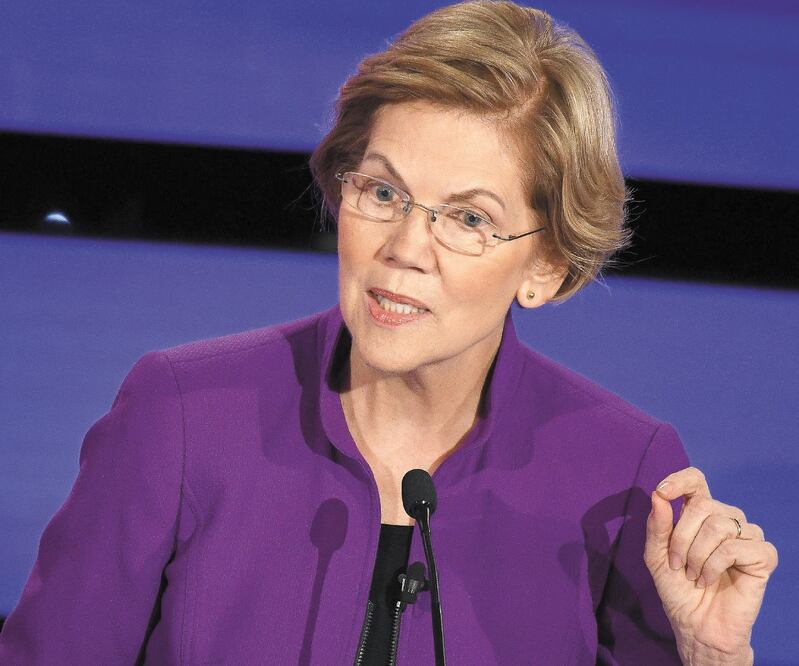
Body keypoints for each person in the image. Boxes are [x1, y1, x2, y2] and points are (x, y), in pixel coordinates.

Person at [0, 1, 777, 664]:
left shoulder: (622, 476)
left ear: (546, 267)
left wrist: (713, 658)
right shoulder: (180, 415)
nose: (404, 248)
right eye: (382, 191)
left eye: (469, 218)